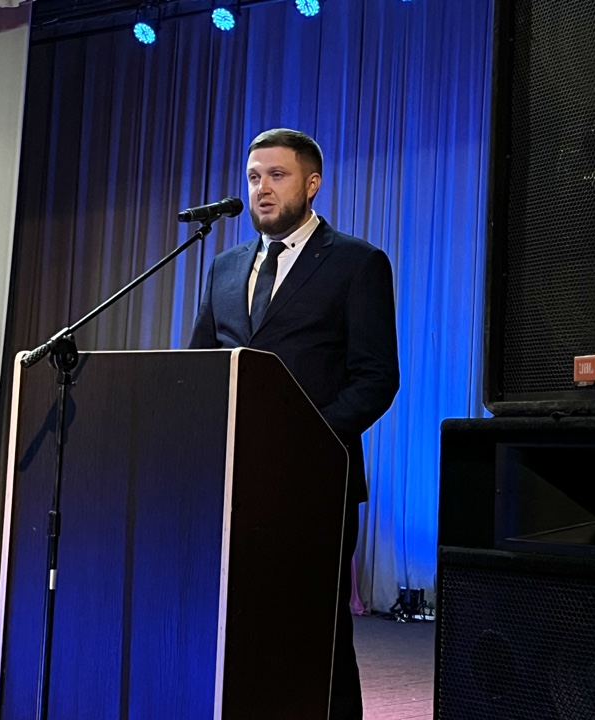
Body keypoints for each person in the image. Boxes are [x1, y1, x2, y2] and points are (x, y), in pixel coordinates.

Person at [189, 128, 399, 719]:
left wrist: (305, 440)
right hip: (235, 484)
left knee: (315, 631)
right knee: (241, 625)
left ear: (312, 184)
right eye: (254, 177)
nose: (262, 188)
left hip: (315, 481)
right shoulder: (225, 267)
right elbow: (201, 368)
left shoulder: (357, 263)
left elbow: (376, 378)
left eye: (277, 176)